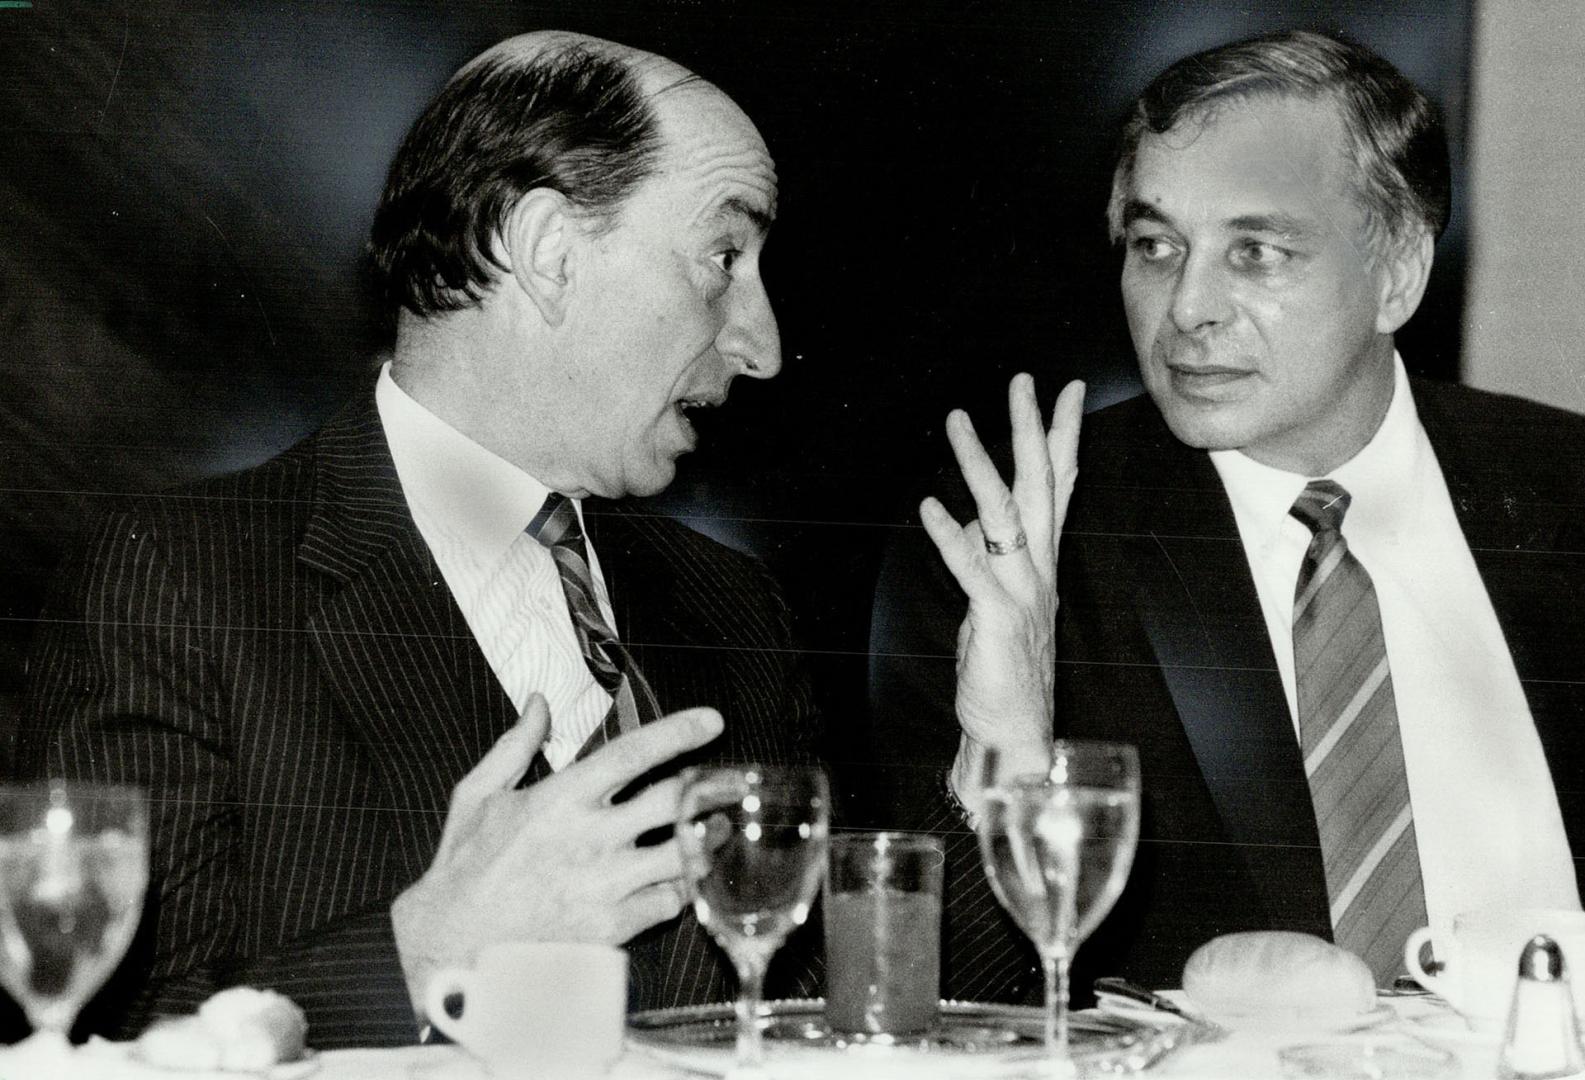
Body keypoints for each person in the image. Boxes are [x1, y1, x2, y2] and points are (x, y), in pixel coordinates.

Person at [16, 30, 1075, 1046]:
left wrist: (1008, 750)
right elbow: (89, 1035)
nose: (762, 346)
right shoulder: (176, 577)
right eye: (722, 256)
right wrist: (430, 948)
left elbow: (850, 1012)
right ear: (546, 250)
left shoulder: (729, 605)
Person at [875, 28, 1585, 994]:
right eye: (1156, 246)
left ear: (1398, 273)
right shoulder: (1021, 546)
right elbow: (923, 996)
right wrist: (1006, 755)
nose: (1186, 308)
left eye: (1255, 250)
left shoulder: (1564, 489)